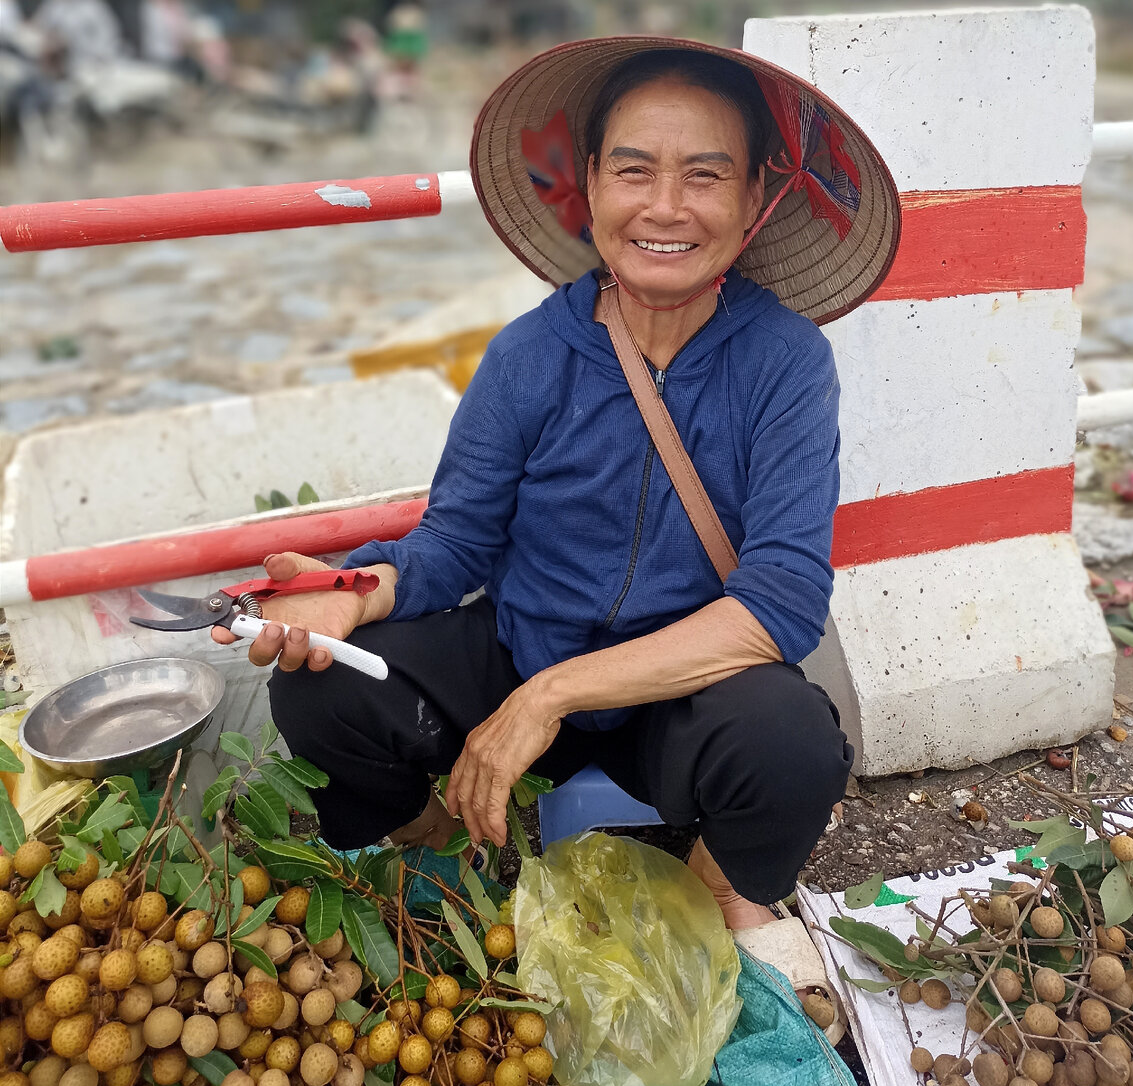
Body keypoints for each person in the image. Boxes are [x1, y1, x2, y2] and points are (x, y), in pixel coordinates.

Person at [216, 37, 899, 945]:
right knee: (323, 696)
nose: (665, 206)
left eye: (704, 175)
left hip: (673, 691)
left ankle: (710, 895)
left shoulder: (785, 364)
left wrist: (548, 702)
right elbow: (454, 544)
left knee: (793, 742)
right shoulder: (529, 356)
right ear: (589, 184)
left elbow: (779, 605)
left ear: (754, 199)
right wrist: (353, 592)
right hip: (519, 642)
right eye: (634, 171)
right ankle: (435, 840)